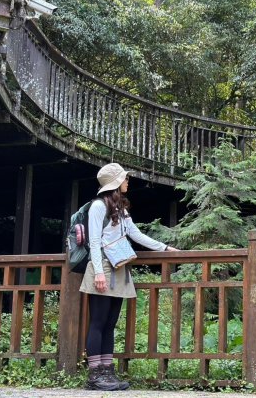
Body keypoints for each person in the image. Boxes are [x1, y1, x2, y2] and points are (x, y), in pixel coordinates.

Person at [80, 163, 178, 391]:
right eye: (124, 178)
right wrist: (99, 273)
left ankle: (107, 371)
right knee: (98, 321)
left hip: (120, 267)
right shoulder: (97, 207)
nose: (127, 181)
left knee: (111, 323)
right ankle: (95, 376)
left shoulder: (121, 210)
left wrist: (164, 248)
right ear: (115, 183)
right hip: (103, 266)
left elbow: (136, 234)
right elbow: (94, 241)